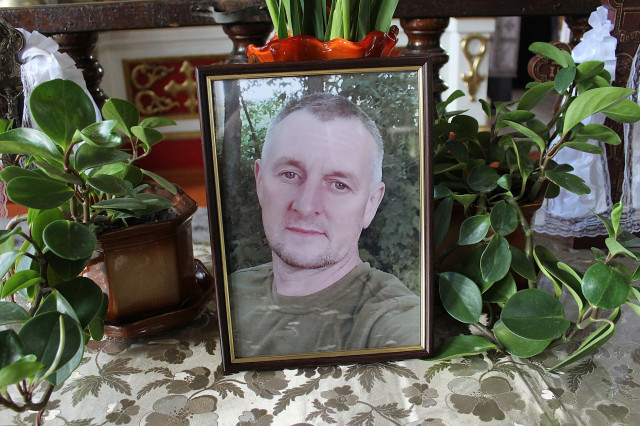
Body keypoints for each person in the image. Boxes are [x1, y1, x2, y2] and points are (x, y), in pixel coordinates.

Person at [229, 92, 421, 358]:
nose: (306, 206)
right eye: (290, 174)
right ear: (260, 182)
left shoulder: (389, 317)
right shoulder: (230, 292)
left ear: (371, 205)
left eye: (339, 185)